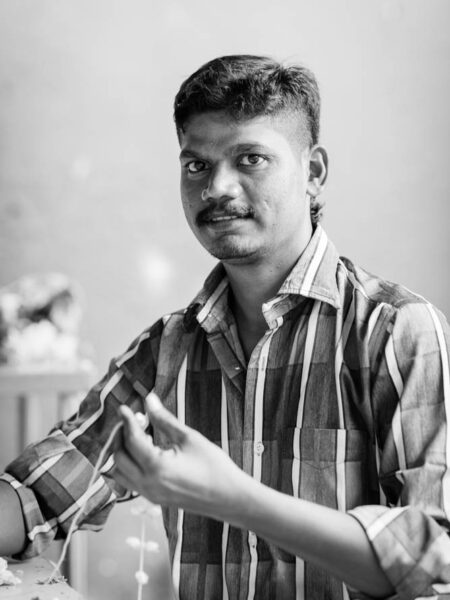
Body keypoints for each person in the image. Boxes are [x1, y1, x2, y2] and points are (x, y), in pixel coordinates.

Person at [0, 54, 449, 600]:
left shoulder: (396, 331)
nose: (218, 187)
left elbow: (435, 560)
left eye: (251, 159)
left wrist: (234, 499)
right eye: (196, 165)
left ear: (313, 173)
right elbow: (38, 495)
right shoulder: (166, 351)